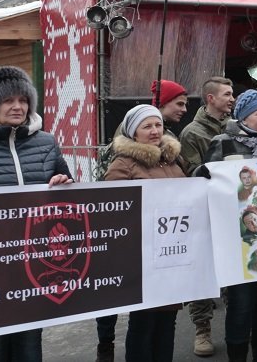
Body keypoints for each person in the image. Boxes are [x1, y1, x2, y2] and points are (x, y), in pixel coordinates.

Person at [0, 67, 73, 361]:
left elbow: (67, 186)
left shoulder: (46, 142)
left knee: (29, 341)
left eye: (23, 100)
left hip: (34, 261)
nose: (17, 106)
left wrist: (65, 183)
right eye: (7, 100)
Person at [202, 89, 257, 362]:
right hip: (236, 239)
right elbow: (203, 180)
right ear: (243, 117)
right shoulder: (224, 142)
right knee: (241, 304)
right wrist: (203, 172)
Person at [105, 104, 188, 361]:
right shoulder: (123, 164)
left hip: (173, 256)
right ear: (133, 132)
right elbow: (114, 210)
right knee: (143, 323)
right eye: (147, 126)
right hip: (142, 257)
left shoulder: (173, 159)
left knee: (168, 321)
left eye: (158, 125)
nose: (154, 131)